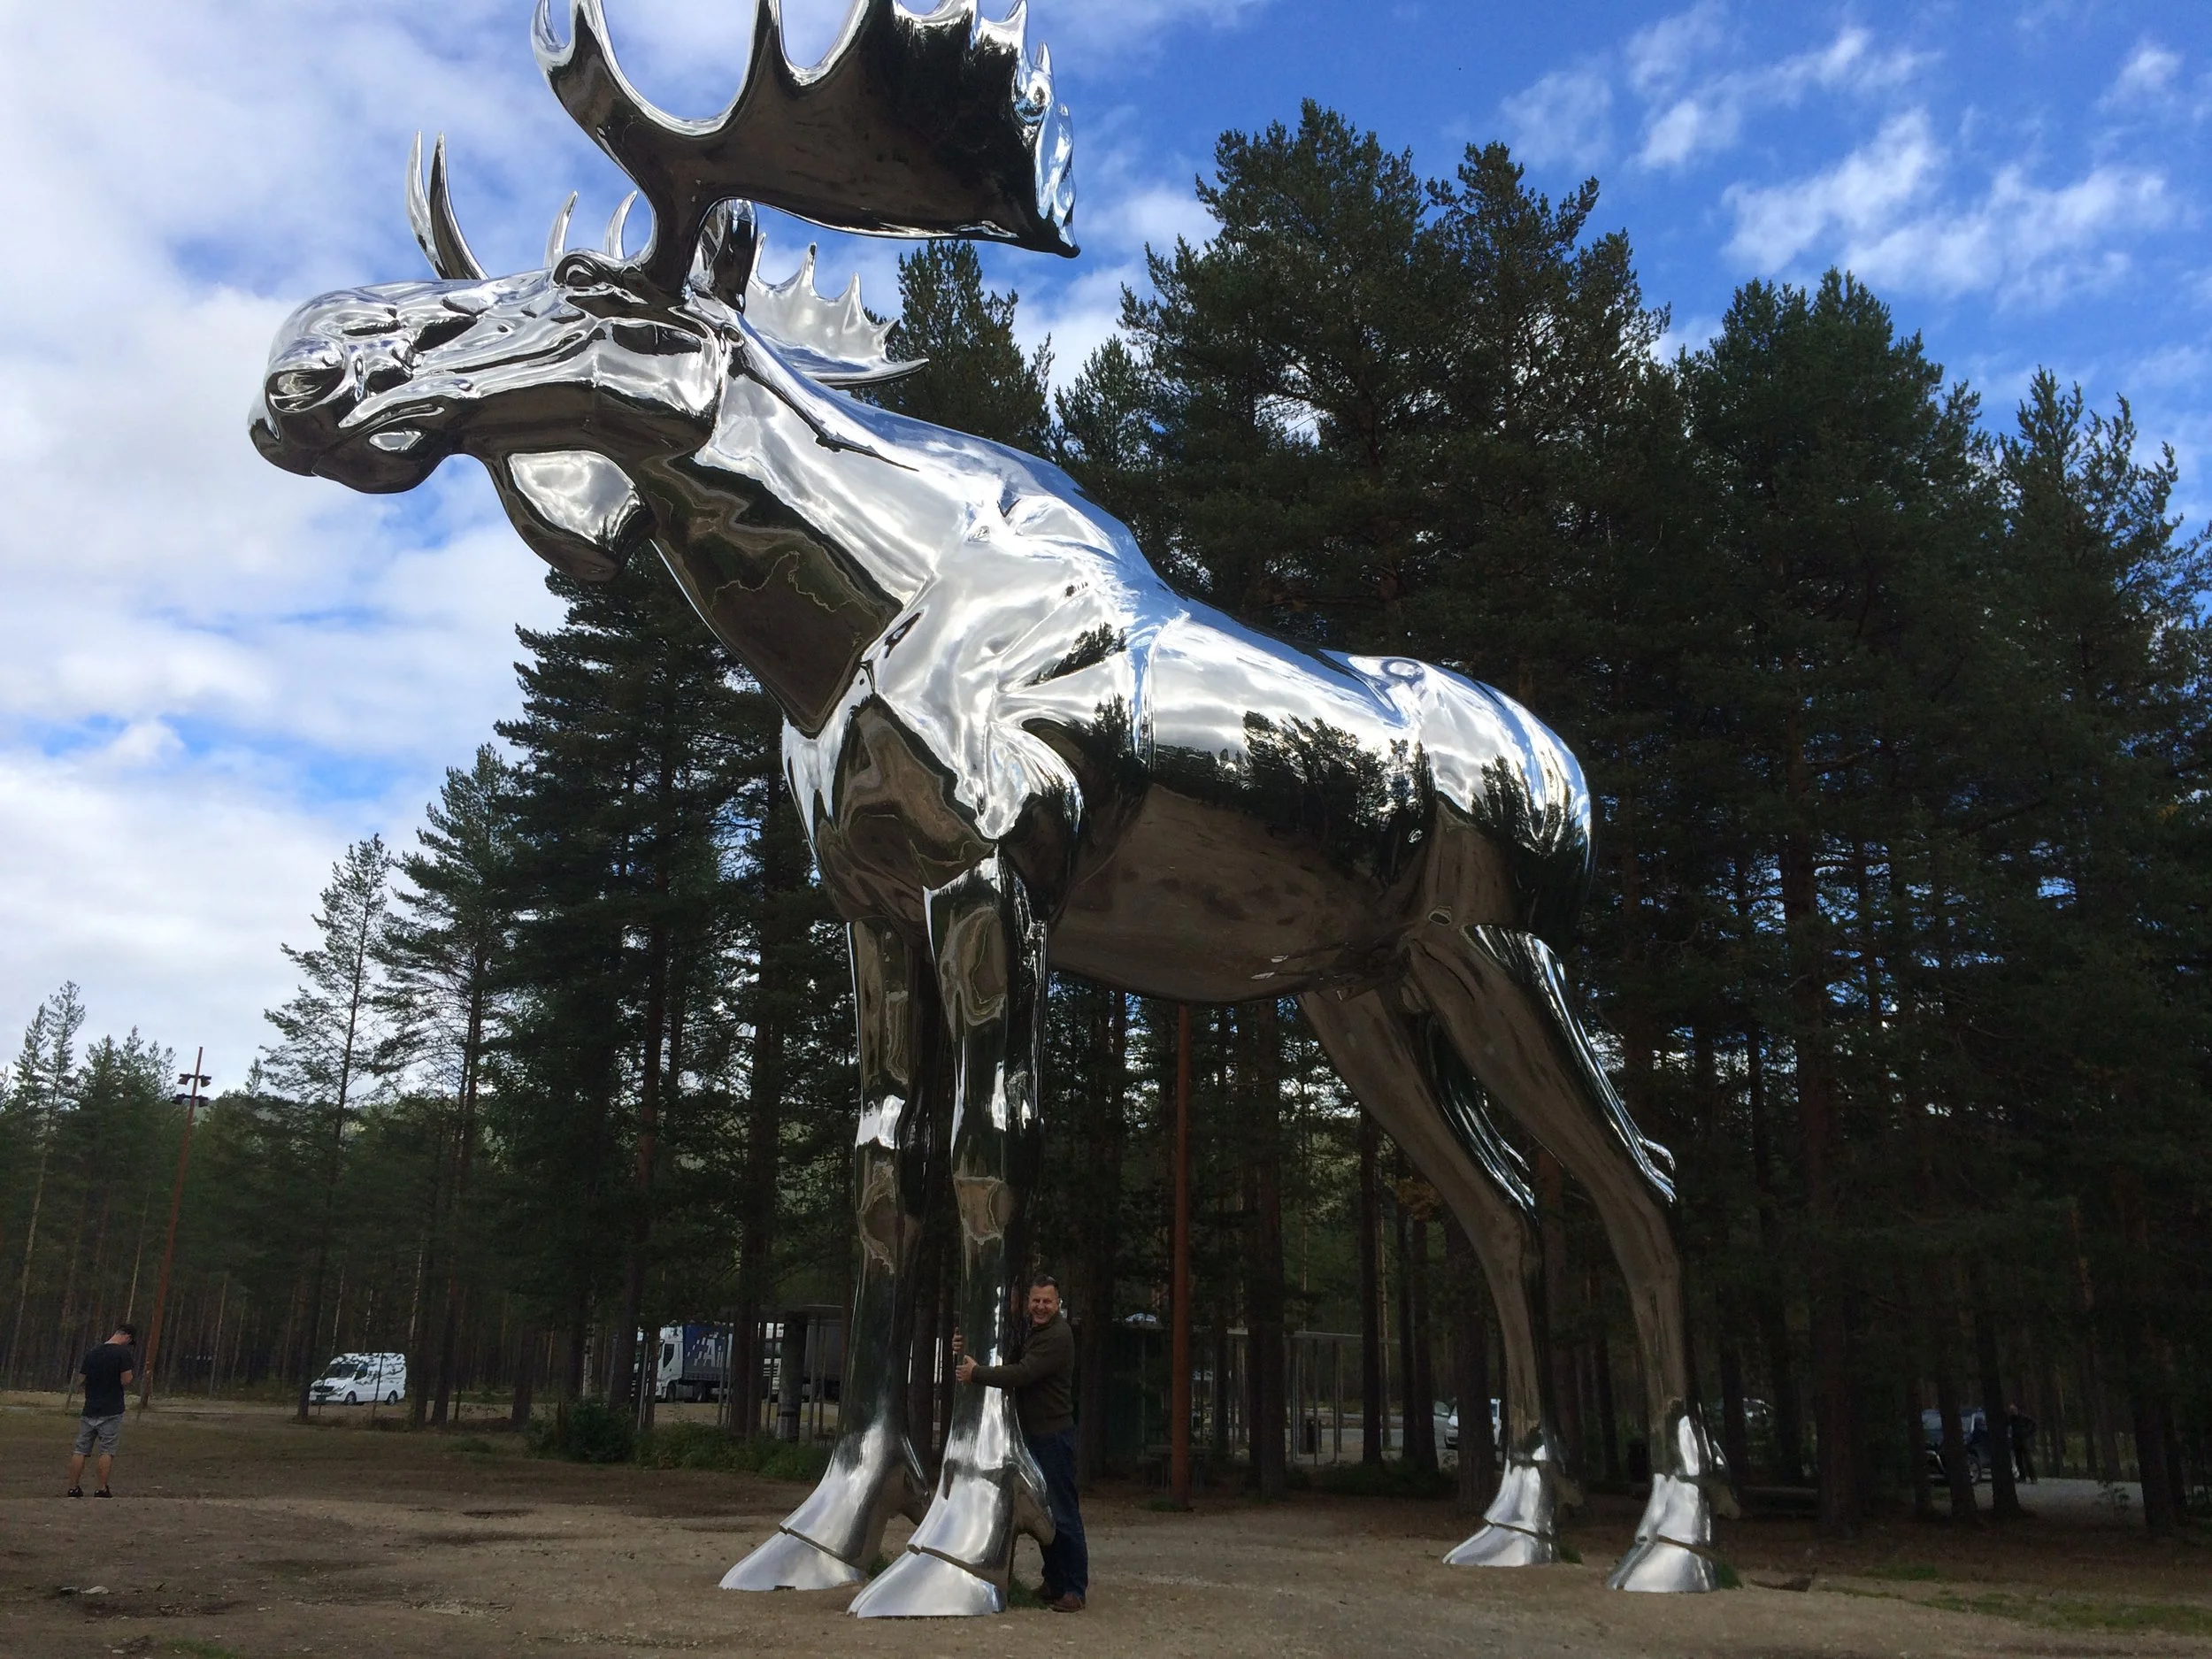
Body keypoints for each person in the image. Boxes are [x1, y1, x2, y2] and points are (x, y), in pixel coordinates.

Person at [955, 1275, 1087, 1612]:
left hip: (1053, 1436)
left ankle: (1074, 1588)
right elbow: (1006, 1357)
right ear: (1028, 1302)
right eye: (1036, 1301)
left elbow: (1022, 1373)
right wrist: (965, 1346)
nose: (1040, 1307)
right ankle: (1055, 1581)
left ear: (1058, 1304)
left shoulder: (1057, 1336)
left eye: (1047, 1302)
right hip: (1032, 1435)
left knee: (1062, 1512)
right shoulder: (1032, 1331)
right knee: (1042, 1510)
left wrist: (977, 1374)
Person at [68, 1323, 138, 1499]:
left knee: (80, 1449)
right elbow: (126, 1380)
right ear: (127, 1337)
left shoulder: (93, 1352)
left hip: (90, 1407)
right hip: (112, 1408)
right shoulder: (123, 1353)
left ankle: (73, 1488)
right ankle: (101, 1488)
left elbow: (81, 1379)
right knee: (107, 1450)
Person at [2008, 1404, 2038, 1485]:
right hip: (2016, 1441)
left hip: (2024, 1441)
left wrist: (2029, 1433)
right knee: (2019, 1461)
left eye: (2013, 1411)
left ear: (2016, 1410)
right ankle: (2022, 1477)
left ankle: (2033, 1478)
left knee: (2028, 1460)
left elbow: (2034, 1423)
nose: (2012, 1412)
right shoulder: (2011, 1419)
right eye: (2011, 1411)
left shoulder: (2023, 1417)